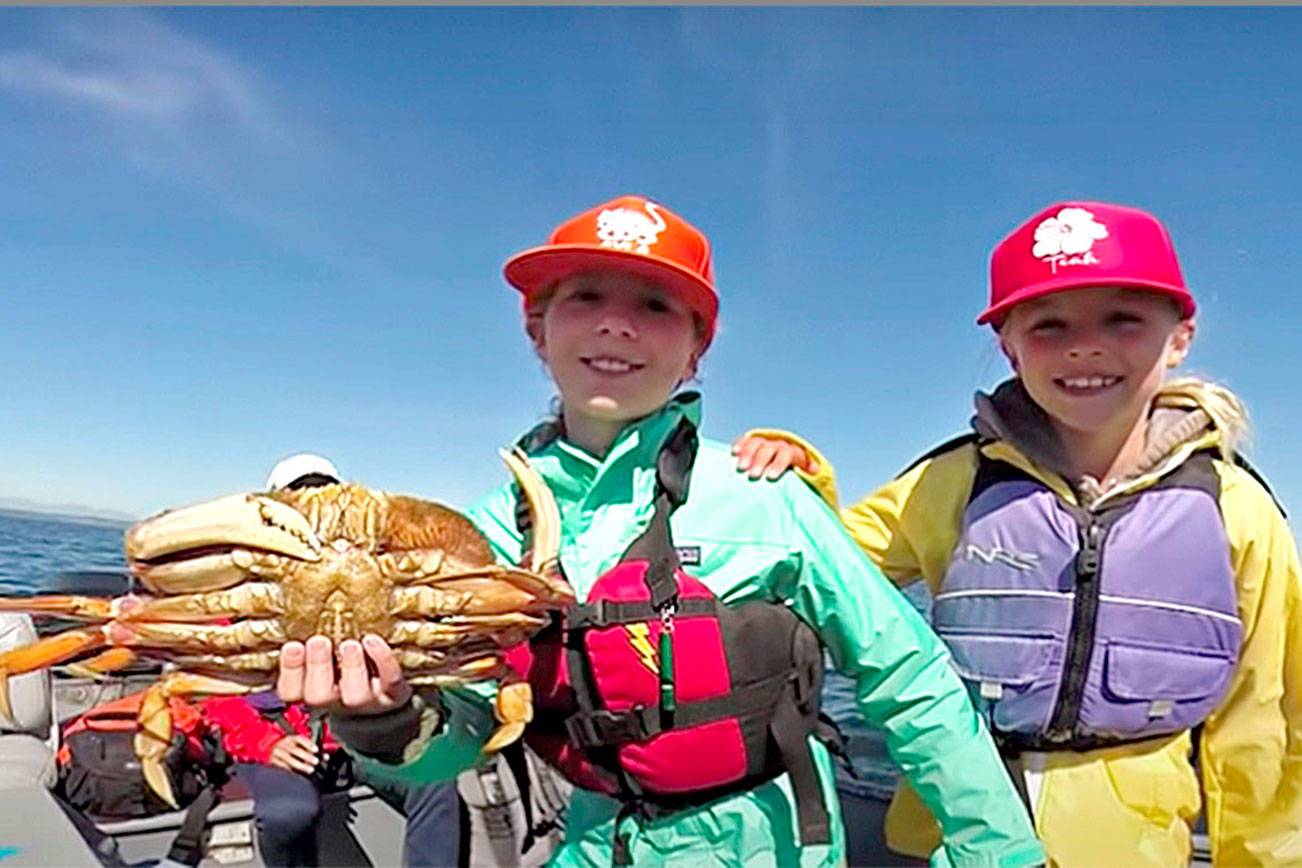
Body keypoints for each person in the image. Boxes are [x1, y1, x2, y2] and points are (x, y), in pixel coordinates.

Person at [275, 195, 1044, 867]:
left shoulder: (766, 497)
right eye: (585, 297)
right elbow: (465, 729)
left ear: (696, 350)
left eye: (654, 306)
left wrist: (999, 851)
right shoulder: (485, 534)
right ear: (538, 331)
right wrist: (383, 722)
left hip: (773, 846)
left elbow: (908, 680)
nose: (616, 324)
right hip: (592, 841)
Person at [733, 201, 1302, 866]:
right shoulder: (949, 482)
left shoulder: (1238, 509)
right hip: (950, 840)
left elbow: (1267, 720)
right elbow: (820, 572)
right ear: (1009, 348)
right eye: (1048, 326)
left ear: (1180, 337)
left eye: (1122, 319)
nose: (1083, 345)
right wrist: (798, 478)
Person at [205, 453, 467, 868]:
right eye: (299, 502)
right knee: (288, 814)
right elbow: (209, 682)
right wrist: (265, 743)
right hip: (280, 738)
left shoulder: (379, 580)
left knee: (435, 781)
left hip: (359, 740)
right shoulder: (244, 592)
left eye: (326, 498)